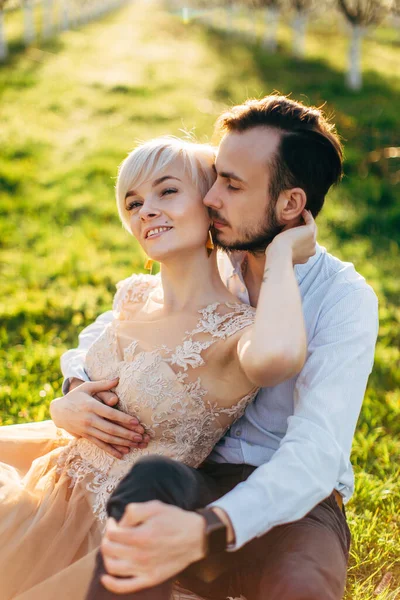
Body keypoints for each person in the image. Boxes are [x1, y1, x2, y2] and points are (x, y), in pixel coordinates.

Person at [64, 95, 379, 600]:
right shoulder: (217, 256)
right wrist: (75, 384)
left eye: (231, 185)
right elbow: (117, 321)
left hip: (295, 498)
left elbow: (316, 455)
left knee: (302, 589)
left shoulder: (344, 298)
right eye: (216, 177)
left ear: (291, 205)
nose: (210, 198)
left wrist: (211, 528)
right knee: (148, 489)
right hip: (197, 473)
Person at [0, 134, 314, 600]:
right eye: (133, 202)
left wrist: (284, 256)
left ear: (211, 207)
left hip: (108, 525)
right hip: (50, 479)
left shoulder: (235, 333)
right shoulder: (133, 296)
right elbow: (86, 364)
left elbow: (280, 358)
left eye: (167, 191)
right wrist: (65, 401)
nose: (145, 210)